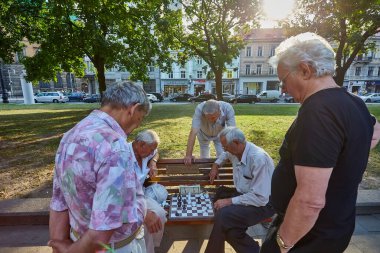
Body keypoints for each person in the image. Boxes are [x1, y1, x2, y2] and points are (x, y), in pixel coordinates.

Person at [261, 32, 380, 253]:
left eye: (284, 80)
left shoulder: (318, 111)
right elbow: (372, 132)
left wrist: (282, 243)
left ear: (305, 70)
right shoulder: (355, 103)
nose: (283, 89)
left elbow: (310, 201)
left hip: (308, 237)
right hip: (336, 227)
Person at [48, 81, 151, 253]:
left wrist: (58, 242)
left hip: (79, 241)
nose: (137, 126)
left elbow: (59, 199)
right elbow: (100, 233)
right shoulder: (115, 146)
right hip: (113, 247)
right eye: (139, 119)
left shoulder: (71, 134)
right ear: (133, 109)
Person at [205, 127, 275, 253]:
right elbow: (225, 154)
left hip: (263, 204)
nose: (224, 149)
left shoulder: (258, 159)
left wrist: (229, 201)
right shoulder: (235, 151)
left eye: (225, 146)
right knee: (228, 225)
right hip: (246, 195)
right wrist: (216, 165)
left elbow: (260, 197)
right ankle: (252, 250)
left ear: (237, 142)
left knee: (224, 215)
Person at [130, 130, 167, 253]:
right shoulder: (124, 156)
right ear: (140, 144)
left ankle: (154, 246)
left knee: (160, 215)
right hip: (127, 199)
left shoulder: (146, 152)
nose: (152, 153)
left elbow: (156, 153)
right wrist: (143, 212)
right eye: (150, 150)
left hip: (141, 194)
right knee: (144, 224)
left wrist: (153, 162)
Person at [184, 99, 236, 164]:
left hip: (220, 134)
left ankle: (218, 171)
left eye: (213, 118)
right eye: (208, 118)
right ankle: (205, 172)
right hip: (203, 134)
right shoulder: (199, 109)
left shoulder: (227, 108)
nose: (211, 120)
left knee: (222, 155)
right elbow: (193, 132)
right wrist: (188, 155)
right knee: (204, 157)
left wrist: (232, 153)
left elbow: (232, 131)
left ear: (219, 111)